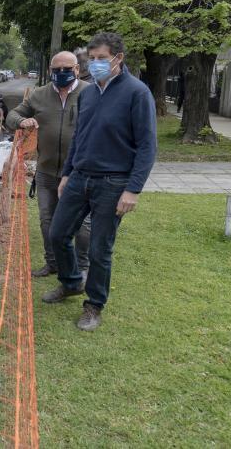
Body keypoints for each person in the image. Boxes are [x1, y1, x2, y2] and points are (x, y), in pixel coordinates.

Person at [43, 32, 157, 332]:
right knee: (58, 233)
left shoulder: (137, 93)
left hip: (113, 182)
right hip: (79, 177)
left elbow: (147, 146)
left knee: (98, 249)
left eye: (101, 59)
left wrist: (133, 189)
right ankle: (71, 283)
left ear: (118, 58)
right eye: (91, 59)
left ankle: (94, 305)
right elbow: (79, 137)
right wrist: (67, 173)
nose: (95, 64)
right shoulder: (89, 93)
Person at [7, 51, 91, 279]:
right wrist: (22, 120)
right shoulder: (39, 95)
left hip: (79, 173)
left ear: (77, 69)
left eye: (67, 69)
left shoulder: (91, 93)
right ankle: (52, 262)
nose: (62, 73)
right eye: (56, 70)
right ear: (50, 70)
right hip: (46, 172)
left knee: (82, 224)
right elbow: (12, 116)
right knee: (47, 221)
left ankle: (82, 267)